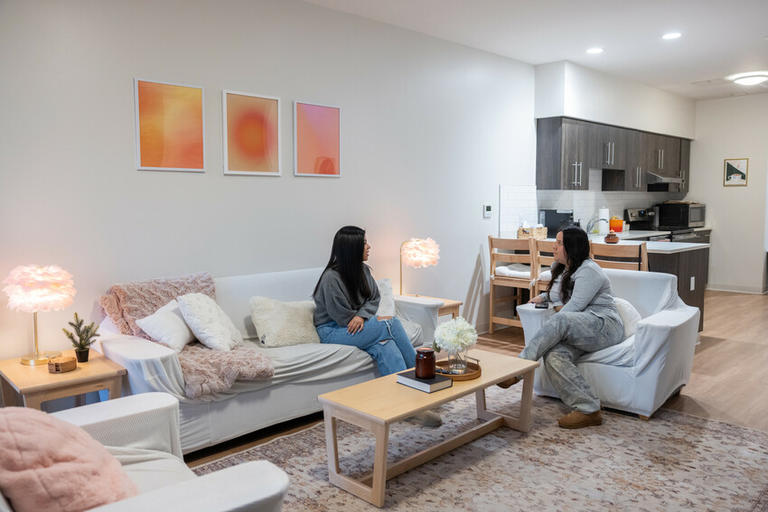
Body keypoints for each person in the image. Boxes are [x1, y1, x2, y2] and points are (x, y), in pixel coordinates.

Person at [313, 226, 441, 426]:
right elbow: (341, 317)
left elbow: (374, 298)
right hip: (333, 330)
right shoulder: (331, 278)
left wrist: (363, 316)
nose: (369, 246)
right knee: (391, 324)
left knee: (385, 345)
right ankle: (422, 384)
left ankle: (406, 404)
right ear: (351, 248)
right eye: (364, 243)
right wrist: (362, 318)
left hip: (355, 325)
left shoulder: (362, 270)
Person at [499, 226, 624, 429]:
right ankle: (589, 409)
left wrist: (554, 316)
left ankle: (518, 369)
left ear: (571, 247)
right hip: (583, 327)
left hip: (604, 326)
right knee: (554, 355)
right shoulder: (564, 268)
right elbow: (561, 294)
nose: (554, 246)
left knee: (560, 320)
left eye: (559, 243)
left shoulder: (588, 271)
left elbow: (572, 308)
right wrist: (544, 297)